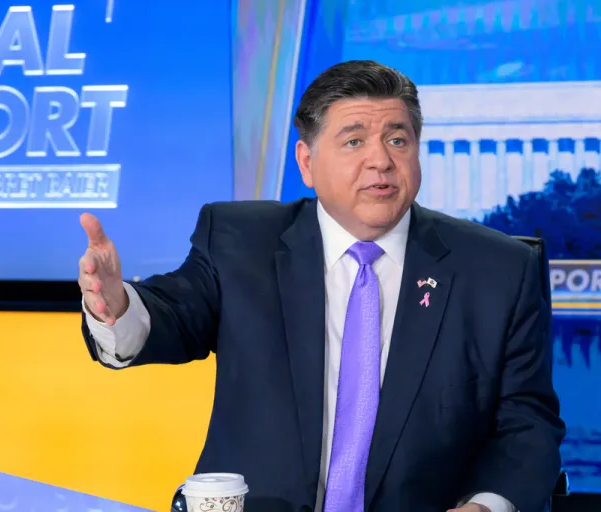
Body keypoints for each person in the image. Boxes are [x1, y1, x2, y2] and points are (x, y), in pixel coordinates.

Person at [78, 60, 565, 512]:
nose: (381, 160)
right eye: (354, 141)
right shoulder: (239, 241)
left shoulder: (497, 269)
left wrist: (488, 505)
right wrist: (117, 304)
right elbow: (173, 316)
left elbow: (527, 422)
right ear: (306, 163)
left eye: (398, 140)